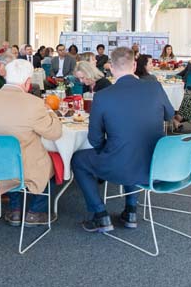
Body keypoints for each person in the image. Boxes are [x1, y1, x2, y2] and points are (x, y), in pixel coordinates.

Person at [71, 47, 173, 233]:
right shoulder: (155, 87)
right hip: (154, 163)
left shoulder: (102, 96)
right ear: (134, 65)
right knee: (133, 146)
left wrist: (106, 150)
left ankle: (100, 214)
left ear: (110, 68)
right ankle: (131, 211)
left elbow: (95, 140)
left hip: (119, 163)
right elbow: (170, 115)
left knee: (78, 160)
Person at [0, 59, 62, 226]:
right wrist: (51, 113)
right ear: (28, 82)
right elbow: (54, 133)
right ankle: (34, 213)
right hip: (22, 167)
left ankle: (15, 211)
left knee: (10, 159)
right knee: (52, 162)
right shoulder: (34, 104)